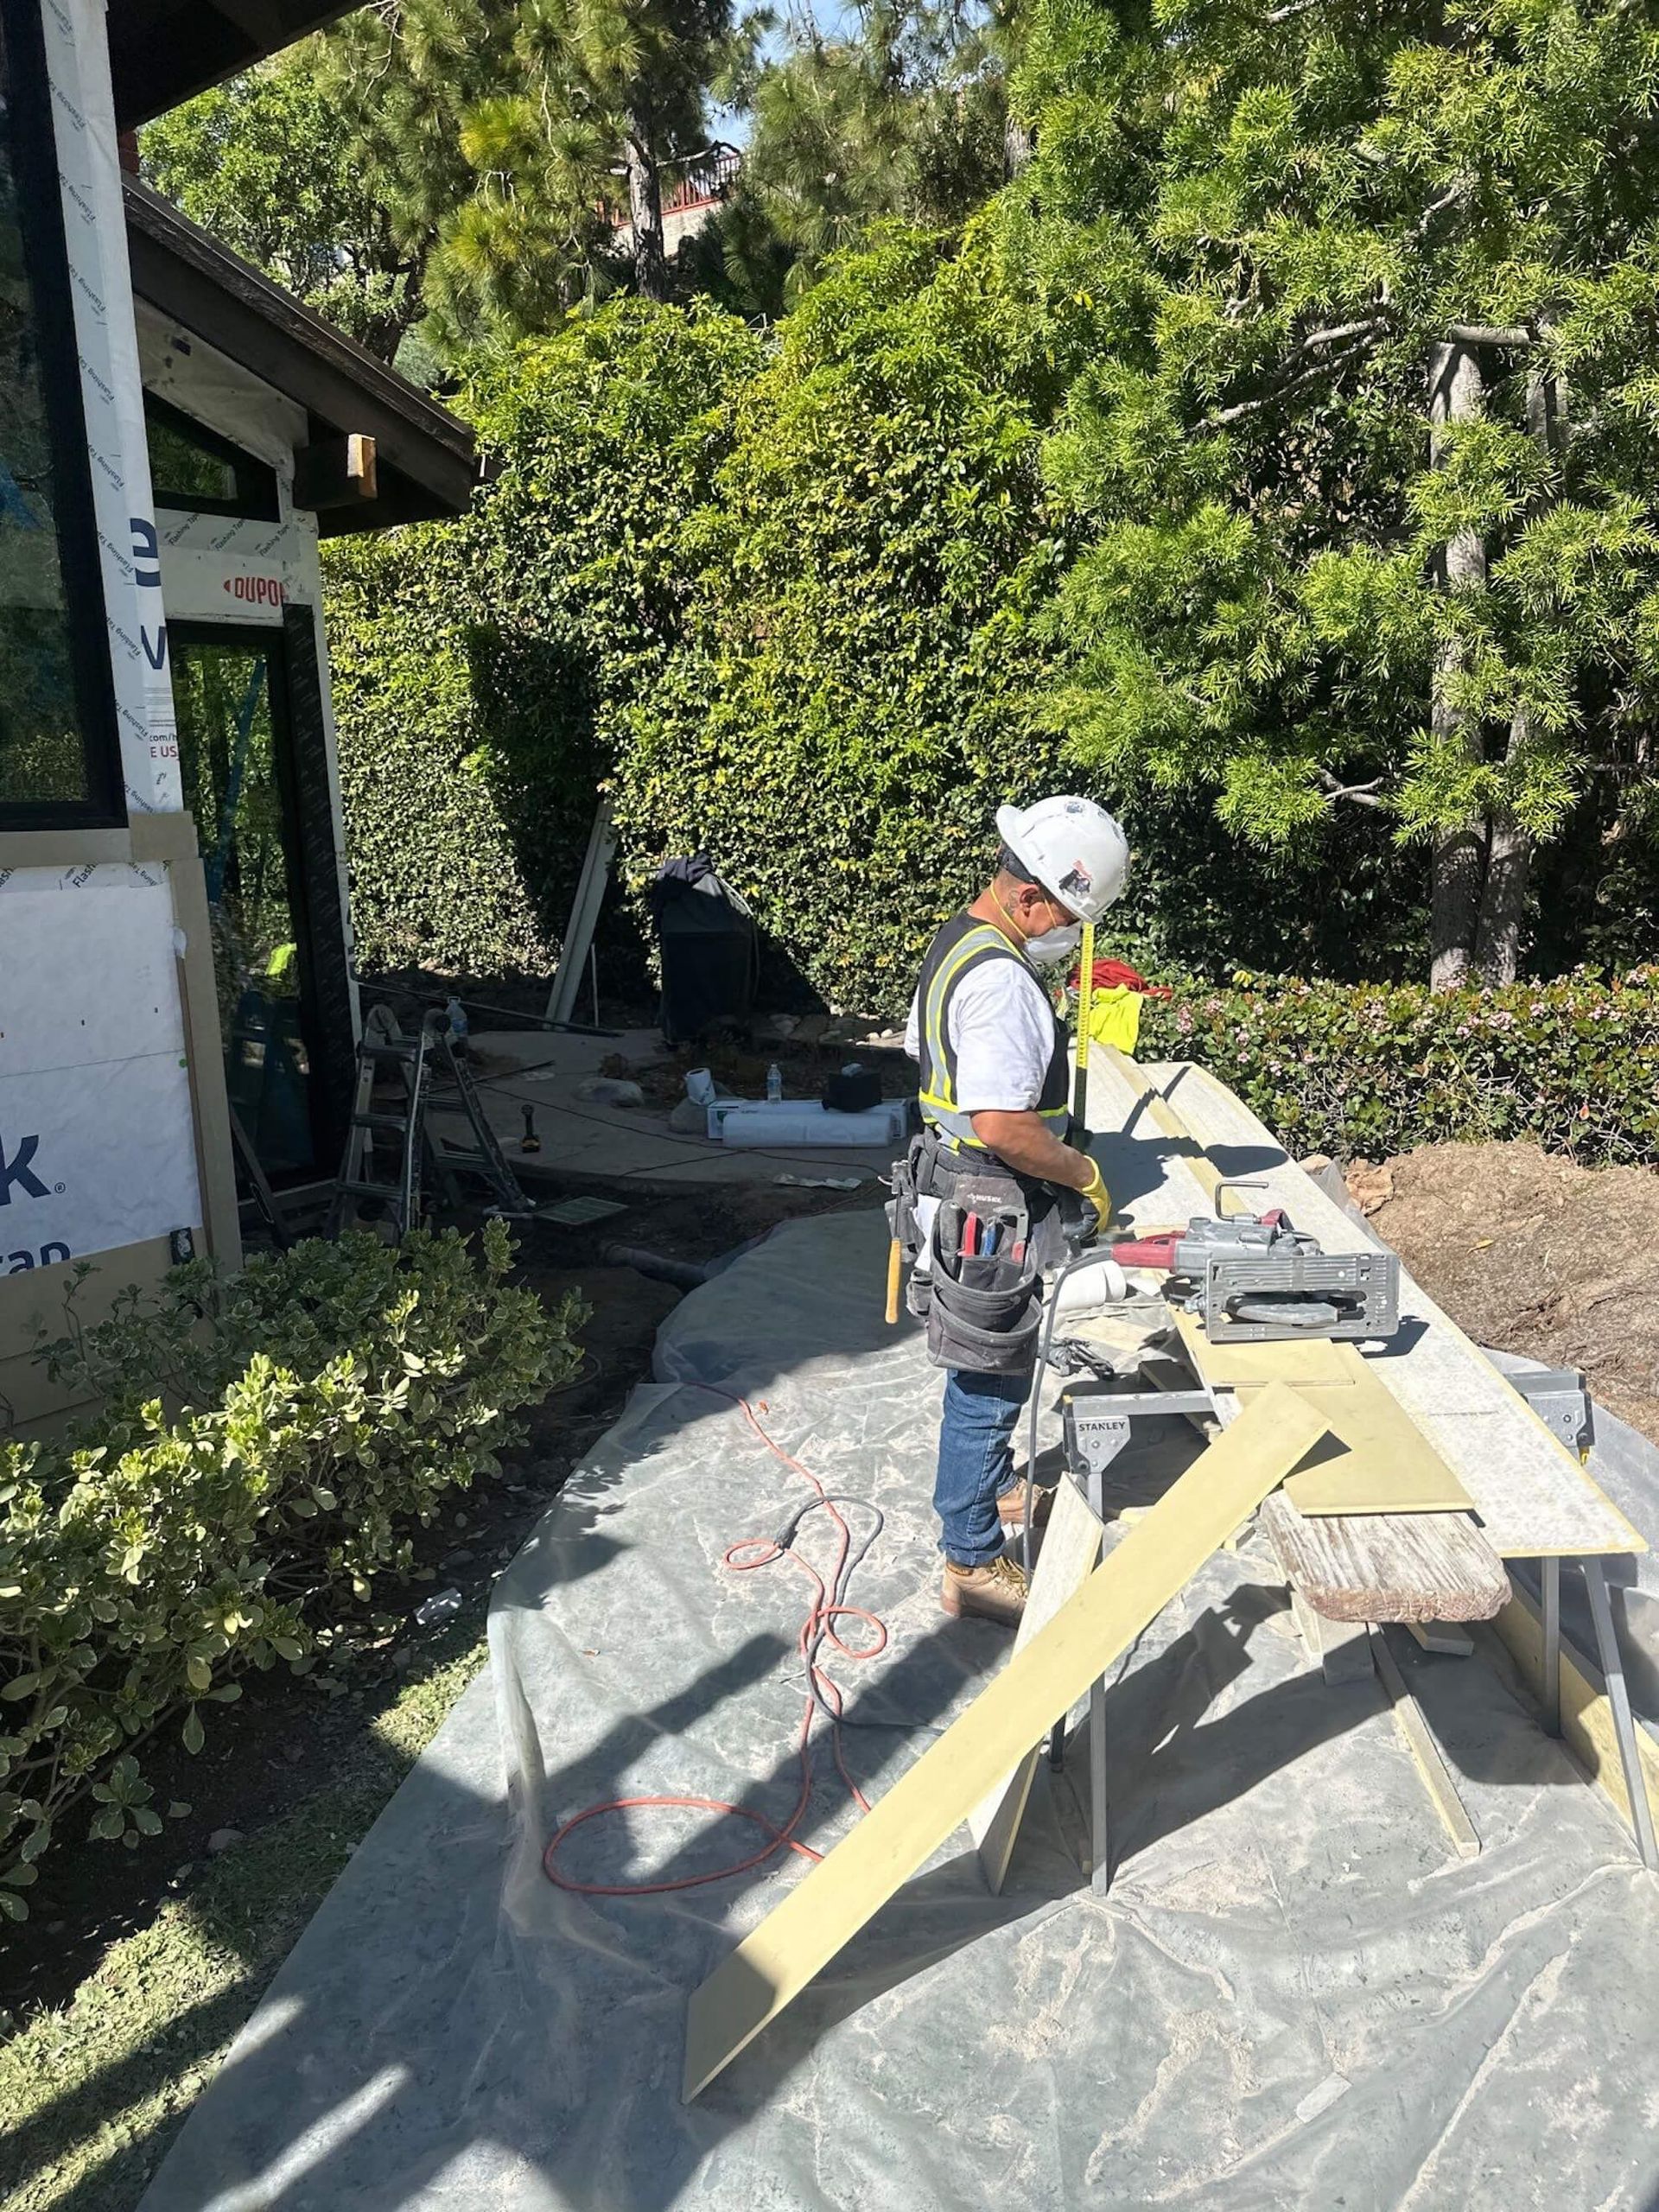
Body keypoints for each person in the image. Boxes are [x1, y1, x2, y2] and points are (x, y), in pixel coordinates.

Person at [902, 796, 1129, 1625]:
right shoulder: (1000, 981)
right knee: (989, 1379)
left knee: (993, 1364)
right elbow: (1002, 1123)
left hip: (959, 1188)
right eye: (1068, 916)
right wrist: (1083, 1174)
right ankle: (970, 1559)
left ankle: (992, 1490)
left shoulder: (962, 942)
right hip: (988, 1202)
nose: (1068, 934)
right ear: (1031, 897)